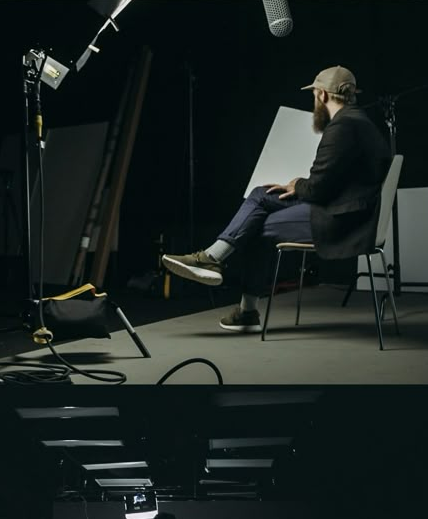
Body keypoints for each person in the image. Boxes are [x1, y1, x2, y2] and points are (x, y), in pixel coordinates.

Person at [163, 67, 391, 333]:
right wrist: (297, 186)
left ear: (321, 94)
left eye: (314, 95)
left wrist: (298, 184)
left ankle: (233, 291)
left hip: (342, 221)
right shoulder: (359, 121)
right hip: (349, 209)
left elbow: (317, 189)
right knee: (262, 194)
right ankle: (214, 262)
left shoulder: (342, 126)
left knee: (256, 226)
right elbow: (333, 182)